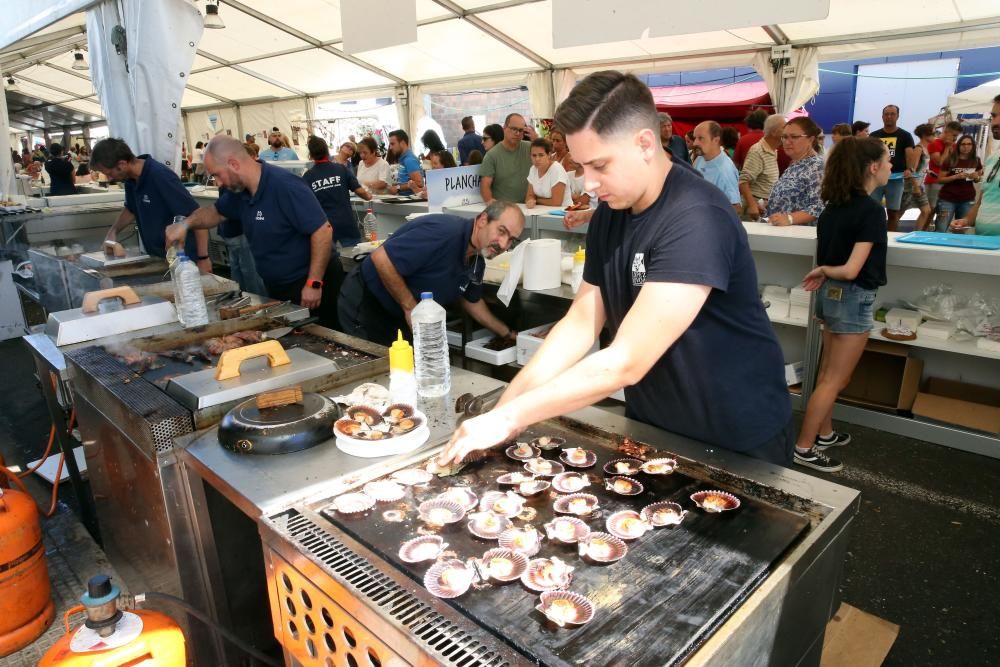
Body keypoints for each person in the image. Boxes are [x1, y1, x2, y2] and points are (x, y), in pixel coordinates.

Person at [439, 70, 792, 468]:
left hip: (736, 434)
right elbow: (580, 323)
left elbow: (627, 359)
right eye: (581, 166)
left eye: (600, 165)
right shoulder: (612, 210)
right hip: (656, 425)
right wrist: (505, 409)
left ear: (644, 143)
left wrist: (511, 417)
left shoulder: (697, 217)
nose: (588, 183)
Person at [164, 135, 342, 327]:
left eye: (216, 174)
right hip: (278, 285)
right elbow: (214, 213)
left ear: (233, 164)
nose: (218, 183)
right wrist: (185, 224)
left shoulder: (284, 185)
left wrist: (314, 283)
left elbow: (323, 231)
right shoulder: (239, 193)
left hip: (310, 284)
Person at [795, 137, 891, 473]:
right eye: (887, 161)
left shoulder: (833, 209)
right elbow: (851, 269)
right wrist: (823, 269)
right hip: (852, 297)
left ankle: (824, 433)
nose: (891, 166)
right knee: (835, 379)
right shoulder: (871, 211)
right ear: (873, 167)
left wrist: (825, 270)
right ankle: (804, 447)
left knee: (827, 373)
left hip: (830, 297)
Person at [337, 201, 525, 346]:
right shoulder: (443, 232)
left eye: (511, 240)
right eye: (501, 232)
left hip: (399, 317)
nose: (503, 245)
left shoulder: (476, 260)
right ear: (483, 220)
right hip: (366, 304)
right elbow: (381, 258)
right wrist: (411, 308)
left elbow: (472, 302)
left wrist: (507, 334)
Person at [91, 138, 210, 271]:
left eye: (109, 173)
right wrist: (113, 231)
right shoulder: (131, 180)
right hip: (159, 257)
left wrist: (203, 258)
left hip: (184, 260)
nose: (109, 178)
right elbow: (131, 209)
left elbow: (198, 217)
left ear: (122, 163)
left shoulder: (159, 176)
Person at [303, 136, 372, 249]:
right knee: (355, 257)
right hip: (346, 223)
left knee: (331, 261)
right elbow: (359, 190)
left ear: (311, 155)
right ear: (327, 151)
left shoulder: (308, 176)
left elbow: (305, 203)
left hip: (325, 227)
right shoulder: (341, 169)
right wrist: (369, 196)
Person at [950, 94, 1000, 236]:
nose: (994, 122)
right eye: (993, 116)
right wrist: (966, 221)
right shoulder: (992, 158)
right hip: (982, 244)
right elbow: (981, 202)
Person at [765, 117, 825, 226]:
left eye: (794, 137)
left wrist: (790, 218)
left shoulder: (818, 166)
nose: (787, 142)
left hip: (800, 238)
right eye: (784, 137)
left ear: (811, 139)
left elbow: (819, 206)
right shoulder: (795, 164)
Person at [870, 105, 915, 231]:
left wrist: (910, 169)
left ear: (897, 116)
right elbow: (869, 155)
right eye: (886, 114)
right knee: (872, 210)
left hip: (896, 180)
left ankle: (890, 238)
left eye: (892, 114)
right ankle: (872, 234)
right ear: (882, 116)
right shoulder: (874, 135)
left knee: (893, 212)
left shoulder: (905, 135)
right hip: (876, 180)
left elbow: (910, 154)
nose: (889, 117)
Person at [480, 113, 534, 203]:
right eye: (513, 129)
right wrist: (490, 202)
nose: (517, 133)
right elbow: (484, 186)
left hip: (529, 207)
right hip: (504, 209)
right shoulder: (491, 155)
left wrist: (536, 139)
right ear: (504, 128)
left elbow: (549, 164)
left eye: (521, 130)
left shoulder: (531, 149)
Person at [739, 113, 785, 220]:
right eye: (784, 127)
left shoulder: (773, 150)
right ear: (773, 132)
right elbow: (743, 181)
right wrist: (752, 205)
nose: (787, 130)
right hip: (755, 209)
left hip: (764, 206)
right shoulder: (758, 151)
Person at [692, 121, 741, 213]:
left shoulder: (725, 170)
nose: (695, 143)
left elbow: (735, 207)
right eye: (695, 138)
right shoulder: (700, 159)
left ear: (716, 140)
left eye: (700, 138)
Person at [936, 134, 983, 226]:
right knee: (941, 227)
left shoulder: (976, 160)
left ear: (973, 146)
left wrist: (976, 177)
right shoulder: (950, 160)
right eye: (963, 144)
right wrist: (955, 176)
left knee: (962, 228)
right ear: (958, 145)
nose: (966, 147)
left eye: (969, 144)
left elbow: (978, 179)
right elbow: (940, 179)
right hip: (947, 199)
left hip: (967, 199)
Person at [926, 120, 964, 224]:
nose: (955, 138)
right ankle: (923, 231)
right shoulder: (935, 143)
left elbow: (956, 163)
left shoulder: (955, 146)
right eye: (954, 135)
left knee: (943, 211)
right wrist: (947, 147)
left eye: (957, 136)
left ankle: (938, 232)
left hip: (948, 182)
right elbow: (940, 162)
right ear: (946, 132)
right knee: (930, 211)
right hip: (934, 182)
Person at [901, 124, 934, 231]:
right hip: (912, 186)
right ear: (925, 135)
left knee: (926, 210)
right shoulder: (918, 149)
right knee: (900, 211)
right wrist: (915, 186)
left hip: (919, 185)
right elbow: (912, 169)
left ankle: (917, 233)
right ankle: (889, 230)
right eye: (933, 133)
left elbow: (920, 167)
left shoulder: (925, 149)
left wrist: (927, 171)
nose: (935, 136)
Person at [525, 138, 572, 209]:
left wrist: (536, 200)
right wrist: (530, 200)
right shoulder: (533, 169)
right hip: (541, 213)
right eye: (534, 155)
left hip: (564, 214)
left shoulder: (556, 169)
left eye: (541, 155)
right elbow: (529, 195)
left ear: (549, 155)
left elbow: (556, 202)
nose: (537, 159)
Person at [387, 129, 424, 195]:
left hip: (410, 202)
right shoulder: (402, 158)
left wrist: (398, 188)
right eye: (390, 144)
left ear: (402, 143)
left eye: (392, 144)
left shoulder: (409, 160)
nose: (390, 147)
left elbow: (419, 183)